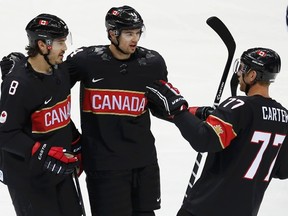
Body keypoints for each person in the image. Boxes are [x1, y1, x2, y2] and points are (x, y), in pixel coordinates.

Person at [145, 47, 288, 216]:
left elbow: (204, 139)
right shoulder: (284, 117)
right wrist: (200, 114)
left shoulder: (239, 106)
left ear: (252, 75)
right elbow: (283, 170)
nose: (238, 74)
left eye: (243, 68)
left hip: (205, 208)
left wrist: (178, 110)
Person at [64, 5, 168, 216]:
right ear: (112, 33)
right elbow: (51, 90)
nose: (135, 39)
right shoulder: (85, 61)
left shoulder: (152, 64)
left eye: (138, 32)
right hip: (104, 166)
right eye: (129, 33)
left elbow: (163, 107)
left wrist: (195, 113)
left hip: (143, 162)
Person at [0, 14, 83, 216]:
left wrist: (76, 140)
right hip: (27, 178)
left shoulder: (60, 71)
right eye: (60, 42)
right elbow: (6, 133)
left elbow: (57, 115)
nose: (65, 48)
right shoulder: (18, 84)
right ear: (43, 45)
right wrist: (43, 152)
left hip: (58, 171)